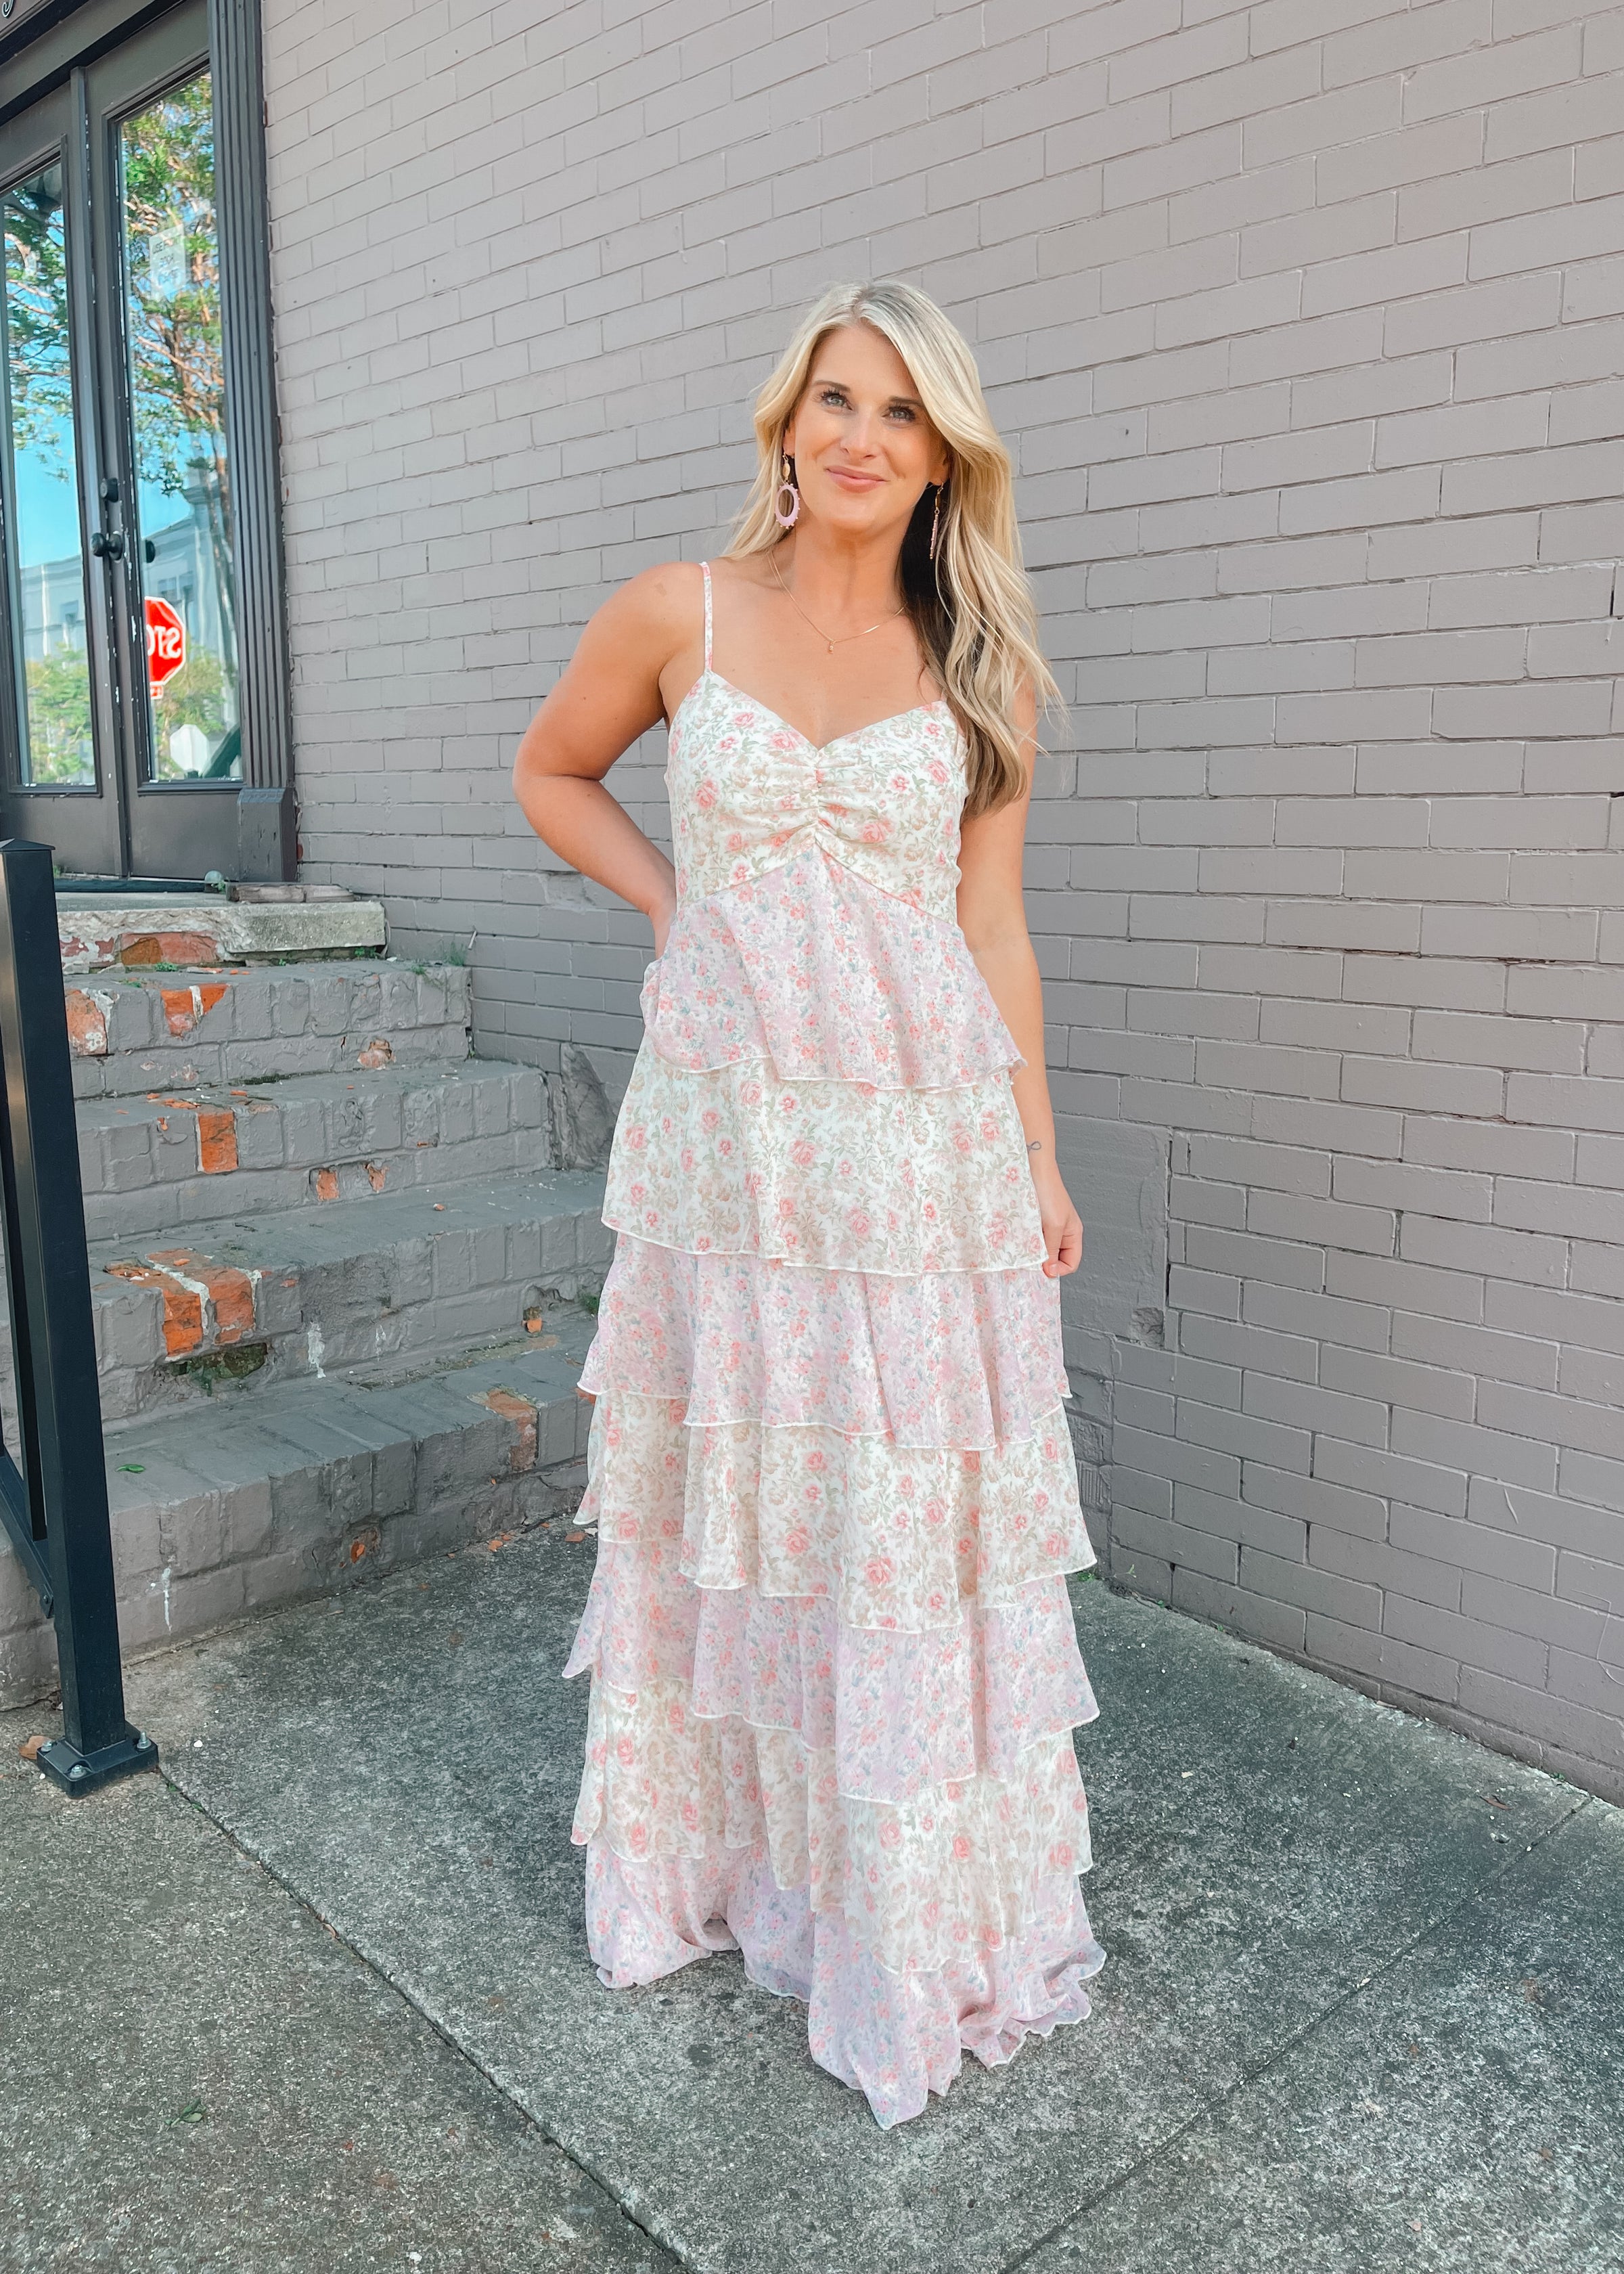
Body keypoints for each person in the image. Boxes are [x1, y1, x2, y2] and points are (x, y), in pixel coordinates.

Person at [512, 278, 1106, 2128]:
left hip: (924, 1150)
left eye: (902, 412)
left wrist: (1039, 1152)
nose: (863, 436)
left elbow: (992, 927)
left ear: (943, 456)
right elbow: (552, 771)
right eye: (837, 399)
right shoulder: (675, 613)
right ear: (787, 423)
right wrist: (674, 902)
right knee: (739, 1510)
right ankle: (729, 1862)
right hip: (736, 1149)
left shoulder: (979, 665)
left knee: (893, 1527)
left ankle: (901, 1922)